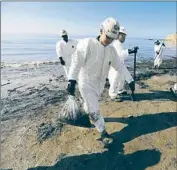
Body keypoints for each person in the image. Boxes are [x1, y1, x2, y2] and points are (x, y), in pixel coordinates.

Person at [66, 17, 135, 146]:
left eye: (112, 39)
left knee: (90, 106)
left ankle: (86, 113)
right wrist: (71, 80)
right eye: (108, 37)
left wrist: (130, 80)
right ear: (101, 30)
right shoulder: (87, 44)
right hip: (85, 83)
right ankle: (103, 132)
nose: (109, 41)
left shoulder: (111, 50)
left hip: (100, 85)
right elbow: (76, 63)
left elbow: (120, 66)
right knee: (95, 110)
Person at [108, 26, 138, 100]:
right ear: (118, 35)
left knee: (122, 78)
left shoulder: (119, 44)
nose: (124, 37)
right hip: (115, 67)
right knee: (115, 79)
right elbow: (120, 54)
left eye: (125, 36)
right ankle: (113, 95)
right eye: (123, 35)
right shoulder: (116, 44)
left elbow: (121, 56)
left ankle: (120, 90)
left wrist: (131, 51)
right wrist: (131, 51)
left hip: (120, 64)